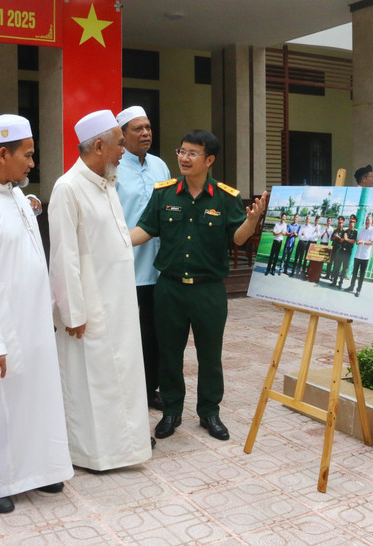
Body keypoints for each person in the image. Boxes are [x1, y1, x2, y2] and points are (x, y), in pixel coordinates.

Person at [0, 114, 73, 514]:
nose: (32, 163)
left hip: (34, 323)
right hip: (1, 329)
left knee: (38, 398)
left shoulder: (18, 197)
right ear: (3, 153)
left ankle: (39, 470)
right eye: (28, 155)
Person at [130, 129, 268, 442]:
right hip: (170, 288)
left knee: (210, 354)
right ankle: (171, 411)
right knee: (169, 353)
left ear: (209, 160)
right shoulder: (164, 193)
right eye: (182, 151)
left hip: (208, 290)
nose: (184, 158)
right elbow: (145, 229)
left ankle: (209, 412)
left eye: (193, 153)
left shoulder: (225, 197)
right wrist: (116, 241)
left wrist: (252, 220)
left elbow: (237, 238)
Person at [49, 110, 152, 472]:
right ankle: (92, 455)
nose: (124, 150)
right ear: (98, 146)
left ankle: (126, 449)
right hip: (90, 308)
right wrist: (73, 313)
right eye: (119, 143)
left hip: (120, 304)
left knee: (121, 378)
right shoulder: (68, 188)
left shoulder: (107, 183)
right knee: (92, 385)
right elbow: (64, 258)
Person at [115, 106, 171, 411]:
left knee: (154, 335)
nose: (146, 133)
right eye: (138, 128)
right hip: (122, 267)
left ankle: (150, 390)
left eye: (148, 127)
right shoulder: (112, 167)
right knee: (123, 336)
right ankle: (123, 391)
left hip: (157, 268)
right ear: (122, 135)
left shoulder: (160, 167)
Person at [345, 214, 373, 297]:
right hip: (358, 255)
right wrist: (358, 242)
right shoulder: (362, 230)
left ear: (371, 221)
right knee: (354, 273)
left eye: (368, 220)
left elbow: (372, 243)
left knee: (361, 275)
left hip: (365, 256)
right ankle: (351, 287)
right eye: (366, 220)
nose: (367, 222)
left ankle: (358, 290)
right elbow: (357, 241)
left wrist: (363, 242)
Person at [329, 214, 357, 288]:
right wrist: (342, 238)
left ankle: (340, 283)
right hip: (341, 251)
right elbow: (341, 240)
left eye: (352, 222)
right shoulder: (345, 231)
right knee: (337, 266)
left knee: (344, 268)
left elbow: (353, 241)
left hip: (347, 252)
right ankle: (334, 281)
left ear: (355, 223)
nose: (351, 223)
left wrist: (346, 239)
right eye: (350, 222)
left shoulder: (355, 232)